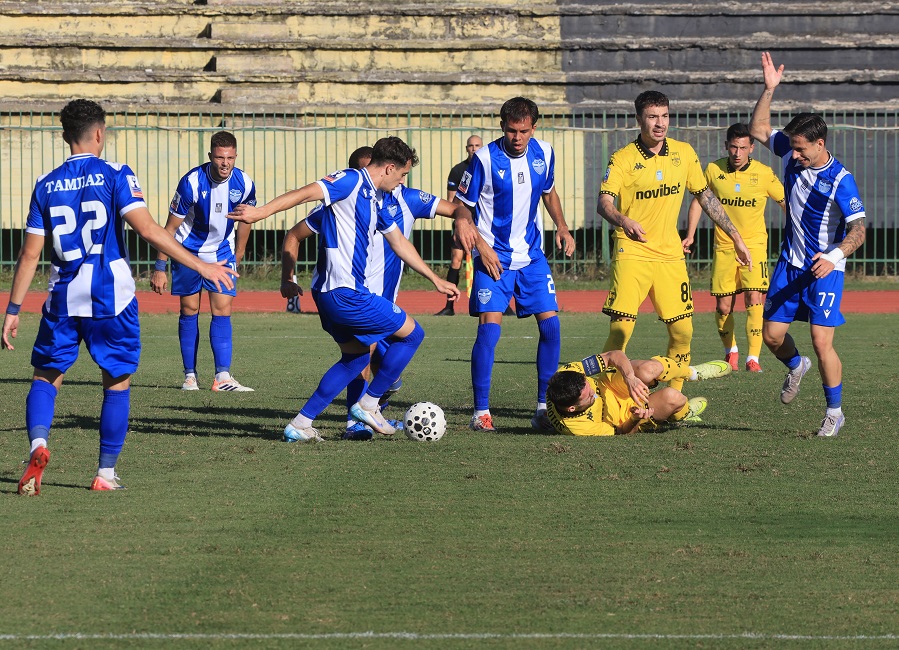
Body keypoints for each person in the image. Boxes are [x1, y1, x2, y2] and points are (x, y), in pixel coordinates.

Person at [2, 99, 236, 495]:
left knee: (46, 376)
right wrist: (202, 266)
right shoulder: (116, 174)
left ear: (64, 136)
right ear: (99, 134)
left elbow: (29, 255)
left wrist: (12, 310)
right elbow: (148, 230)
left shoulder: (44, 184)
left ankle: (39, 444)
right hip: (111, 296)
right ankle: (105, 474)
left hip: (62, 297)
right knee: (116, 382)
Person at [230, 136, 460, 441]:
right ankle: (369, 404)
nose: (403, 181)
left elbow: (399, 243)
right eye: (402, 174)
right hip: (345, 293)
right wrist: (261, 214)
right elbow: (303, 194)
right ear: (389, 168)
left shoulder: (376, 200)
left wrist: (435, 278)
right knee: (413, 334)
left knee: (356, 359)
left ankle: (300, 424)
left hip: (330, 296)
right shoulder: (351, 180)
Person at [596, 90, 751, 414]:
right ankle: (607, 400)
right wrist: (624, 220)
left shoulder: (684, 153)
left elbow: (705, 197)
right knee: (621, 329)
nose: (660, 123)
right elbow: (604, 203)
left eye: (664, 116)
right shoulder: (622, 158)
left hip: (669, 256)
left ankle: (676, 403)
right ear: (639, 119)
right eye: (653, 117)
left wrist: (735, 235)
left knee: (683, 331)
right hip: (632, 252)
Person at [748, 52, 867, 438]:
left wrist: (834, 256)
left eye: (800, 149)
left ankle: (834, 411)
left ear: (819, 143)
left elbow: (859, 229)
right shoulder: (795, 156)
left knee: (821, 340)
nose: (793, 155)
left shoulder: (841, 180)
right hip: (790, 263)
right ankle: (795, 366)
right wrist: (768, 90)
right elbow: (759, 129)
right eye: (792, 148)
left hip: (825, 269)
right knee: (771, 336)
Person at [452, 96, 575, 432]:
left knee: (551, 327)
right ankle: (481, 412)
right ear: (502, 127)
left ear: (534, 128)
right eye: (510, 130)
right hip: (494, 258)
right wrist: (480, 246)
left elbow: (548, 192)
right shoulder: (484, 159)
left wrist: (562, 226)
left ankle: (542, 407)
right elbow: (462, 207)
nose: (517, 137)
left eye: (523, 131)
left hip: (532, 256)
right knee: (490, 332)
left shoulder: (545, 153)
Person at [149, 131, 255, 392]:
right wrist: (160, 268)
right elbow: (168, 229)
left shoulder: (244, 183)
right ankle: (190, 376)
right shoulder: (191, 183)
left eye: (229, 157)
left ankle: (222, 377)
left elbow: (246, 221)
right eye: (219, 157)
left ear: (236, 156)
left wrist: (238, 255)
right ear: (210, 156)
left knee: (222, 311)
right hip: (188, 253)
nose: (225, 163)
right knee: (189, 310)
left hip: (222, 254)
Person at [682, 123, 786, 373]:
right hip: (724, 247)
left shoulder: (763, 173)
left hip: (755, 246)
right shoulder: (713, 170)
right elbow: (700, 202)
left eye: (743, 148)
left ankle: (753, 358)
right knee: (723, 306)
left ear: (752, 148)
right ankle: (732, 352)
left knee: (754, 297)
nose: (737, 153)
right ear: (726, 146)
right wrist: (690, 234)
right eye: (733, 147)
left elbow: (785, 203)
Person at [546, 352, 732, 436]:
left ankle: (692, 373)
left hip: (611, 386)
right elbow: (620, 432)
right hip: (622, 417)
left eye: (588, 384)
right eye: (588, 396)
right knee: (674, 398)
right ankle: (685, 413)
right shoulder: (578, 428)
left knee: (647, 370)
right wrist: (635, 419)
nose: (592, 393)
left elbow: (613, 355)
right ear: (571, 408)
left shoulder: (567, 373)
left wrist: (630, 378)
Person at [436, 134, 482, 316]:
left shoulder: (488, 166)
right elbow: (451, 202)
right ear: (466, 148)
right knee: (456, 260)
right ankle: (449, 306)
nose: (474, 148)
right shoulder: (458, 171)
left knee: (489, 261)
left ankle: (502, 305)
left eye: (477, 145)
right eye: (471, 146)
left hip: (484, 226)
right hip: (463, 224)